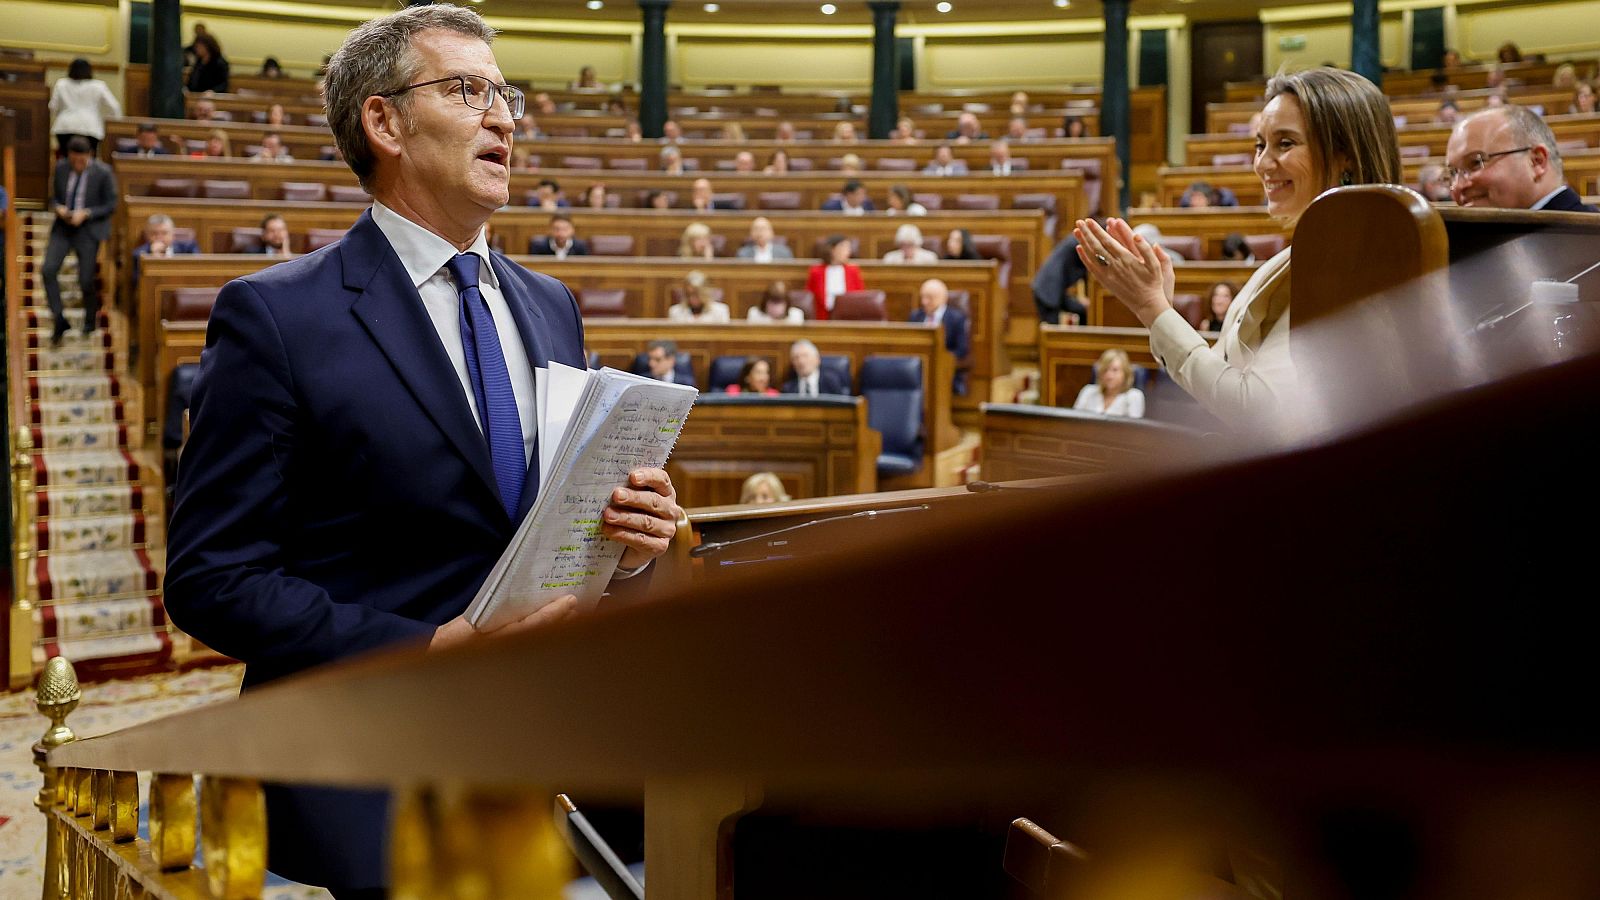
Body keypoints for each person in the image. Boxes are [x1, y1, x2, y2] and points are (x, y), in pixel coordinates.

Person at [164, 7, 682, 896]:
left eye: (505, 95)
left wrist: (625, 542)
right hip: (381, 765)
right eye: (468, 90)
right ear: (384, 122)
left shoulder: (550, 302)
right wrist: (428, 645)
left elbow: (539, 525)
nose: (505, 118)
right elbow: (214, 578)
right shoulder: (277, 317)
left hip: (558, 755)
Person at [1075, 66, 1403, 429]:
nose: (1262, 164)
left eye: (1285, 143)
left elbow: (1257, 410)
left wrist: (1152, 309)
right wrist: (1161, 305)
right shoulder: (1299, 255)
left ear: (1347, 158)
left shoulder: (1349, 262)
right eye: (1260, 145)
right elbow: (1221, 375)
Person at [1446, 105, 1600, 212]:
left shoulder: (1590, 239)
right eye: (1453, 173)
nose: (1458, 186)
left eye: (1475, 163)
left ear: (1537, 161)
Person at [42, 137, 116, 345]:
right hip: (63, 228)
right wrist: (58, 207)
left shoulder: (103, 172)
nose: (77, 164)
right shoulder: (61, 168)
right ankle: (59, 318)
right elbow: (53, 198)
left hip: (88, 229)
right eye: (73, 160)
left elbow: (111, 204)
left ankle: (90, 320)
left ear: (89, 156)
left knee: (85, 279)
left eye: (81, 160)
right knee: (48, 270)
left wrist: (87, 213)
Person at [49, 58, 121, 156]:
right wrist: (107, 122)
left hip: (65, 126)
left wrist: (59, 114)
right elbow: (115, 107)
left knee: (67, 160)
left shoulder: (61, 84)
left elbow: (52, 107)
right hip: (90, 127)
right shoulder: (98, 86)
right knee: (89, 162)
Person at [910, 278, 970, 395]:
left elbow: (962, 350)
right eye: (923, 297)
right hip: (918, 369)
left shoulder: (956, 318)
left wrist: (941, 360)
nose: (924, 302)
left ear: (943, 298)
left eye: (929, 298)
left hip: (944, 371)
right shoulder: (915, 316)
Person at [1032, 235, 1089, 325]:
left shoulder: (1077, 241)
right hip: (1048, 290)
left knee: (1083, 310)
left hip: (1051, 289)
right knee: (1052, 331)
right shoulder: (1080, 242)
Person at [131, 213, 200, 288]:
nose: (159, 237)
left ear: (172, 234)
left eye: (164, 233)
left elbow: (197, 273)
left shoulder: (189, 248)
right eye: (154, 233)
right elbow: (137, 283)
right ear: (147, 235)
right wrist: (153, 258)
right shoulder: (139, 254)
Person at [1072, 349, 1145, 418]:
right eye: (1105, 370)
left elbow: (1134, 429)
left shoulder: (1134, 396)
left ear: (1125, 373)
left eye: (1115, 370)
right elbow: (1074, 423)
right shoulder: (1088, 391)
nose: (1109, 375)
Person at [806, 235, 863, 320]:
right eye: (844, 248)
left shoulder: (853, 271)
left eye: (848, 248)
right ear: (832, 250)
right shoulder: (816, 271)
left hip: (848, 316)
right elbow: (809, 296)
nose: (848, 252)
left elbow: (860, 295)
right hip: (823, 317)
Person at [783, 339, 849, 395]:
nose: (801, 361)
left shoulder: (831, 382)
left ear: (817, 359)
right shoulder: (788, 389)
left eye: (805, 356)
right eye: (796, 358)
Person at [667, 270, 731, 323]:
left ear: (705, 293)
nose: (692, 298)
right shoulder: (675, 311)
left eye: (696, 294)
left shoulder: (721, 311)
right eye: (688, 294)